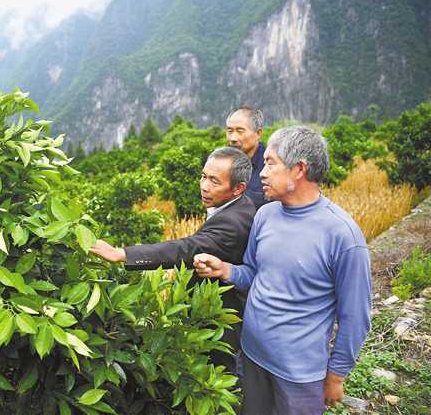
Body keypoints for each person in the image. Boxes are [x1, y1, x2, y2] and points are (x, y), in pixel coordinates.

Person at [194, 126, 372, 414]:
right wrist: (226, 269)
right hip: (251, 358)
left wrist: (337, 375)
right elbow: (254, 274)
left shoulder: (342, 235)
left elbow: (356, 316)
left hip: (299, 376)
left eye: (270, 163)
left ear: (299, 169)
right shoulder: (265, 215)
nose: (261, 173)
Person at [89, 146, 256, 374]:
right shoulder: (238, 205)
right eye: (203, 176)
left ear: (238, 188)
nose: (204, 186)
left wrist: (122, 254)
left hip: (222, 322)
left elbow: (185, 249)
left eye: (214, 182)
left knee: (221, 383)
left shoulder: (232, 222)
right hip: (218, 315)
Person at [226, 106, 268, 210]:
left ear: (258, 133)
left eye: (240, 131)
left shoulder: (271, 166)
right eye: (230, 131)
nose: (233, 138)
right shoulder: (222, 162)